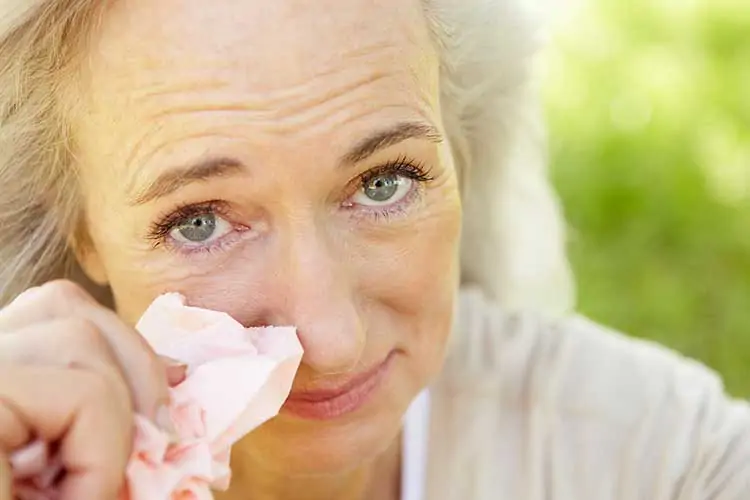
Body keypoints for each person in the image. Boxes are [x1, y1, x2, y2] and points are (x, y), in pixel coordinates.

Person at [0, 0, 747, 499]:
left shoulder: (665, 459)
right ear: (82, 233)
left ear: (460, 149)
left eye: (384, 182)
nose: (330, 340)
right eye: (200, 221)